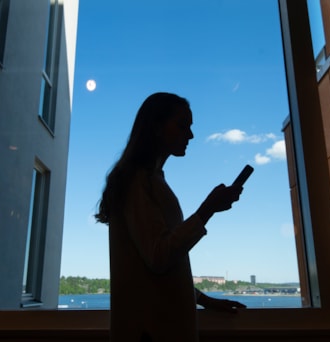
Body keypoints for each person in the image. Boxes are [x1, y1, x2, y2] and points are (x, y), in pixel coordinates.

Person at [95, 92, 247, 342]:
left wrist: (203, 299)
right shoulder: (138, 181)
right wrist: (208, 209)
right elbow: (159, 255)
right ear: (156, 126)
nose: (190, 135)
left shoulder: (149, 180)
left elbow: (157, 268)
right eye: (182, 125)